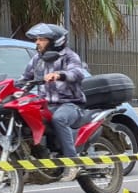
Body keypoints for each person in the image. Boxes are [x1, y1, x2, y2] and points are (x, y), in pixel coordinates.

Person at [20, 23, 89, 162]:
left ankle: (72, 161)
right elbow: (24, 79)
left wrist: (59, 75)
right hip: (45, 105)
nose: (37, 42)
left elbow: (77, 72)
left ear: (55, 41)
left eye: (42, 39)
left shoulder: (69, 56)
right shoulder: (37, 59)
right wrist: (1, 89)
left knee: (59, 119)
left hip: (70, 104)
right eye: (37, 39)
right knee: (23, 117)